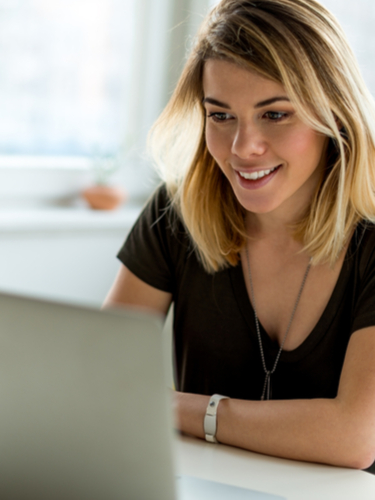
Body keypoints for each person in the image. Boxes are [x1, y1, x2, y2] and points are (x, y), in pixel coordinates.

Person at [104, 0, 375, 472]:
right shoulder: (175, 213)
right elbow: (99, 375)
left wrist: (174, 408)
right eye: (220, 115)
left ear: (333, 113)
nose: (242, 149)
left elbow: (353, 437)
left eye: (275, 115)